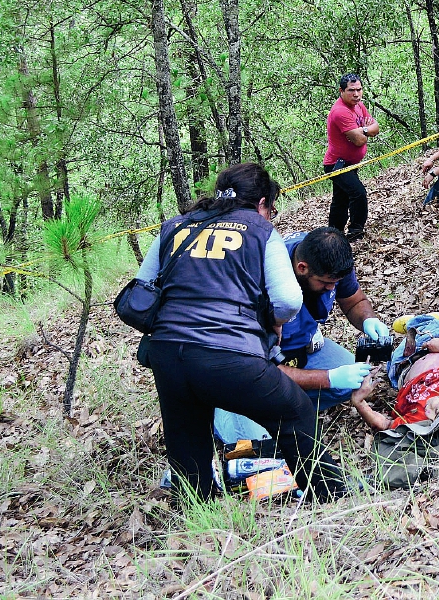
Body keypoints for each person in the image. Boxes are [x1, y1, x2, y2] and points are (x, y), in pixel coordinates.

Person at [136, 163, 348, 500]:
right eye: (271, 208)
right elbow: (288, 298)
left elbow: (141, 289)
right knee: (294, 411)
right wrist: (274, 323)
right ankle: (330, 496)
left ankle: (199, 514)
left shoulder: (174, 227)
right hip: (228, 351)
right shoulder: (260, 230)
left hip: (167, 352)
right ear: (262, 202)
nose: (271, 215)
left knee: (188, 439)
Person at [212, 226, 393, 448]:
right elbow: (258, 368)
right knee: (251, 443)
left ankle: (286, 402)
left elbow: (354, 300)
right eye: (326, 283)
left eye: (335, 283)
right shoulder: (261, 278)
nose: (331, 289)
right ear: (302, 268)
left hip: (299, 350)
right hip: (245, 367)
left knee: (354, 381)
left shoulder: (332, 261)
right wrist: (328, 378)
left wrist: (368, 320)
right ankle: (224, 410)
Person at [324, 73, 379, 241]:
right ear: (341, 91)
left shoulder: (358, 106)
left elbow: (376, 128)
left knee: (341, 200)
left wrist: (362, 129)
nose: (356, 94)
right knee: (358, 194)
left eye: (359, 90)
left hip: (351, 163)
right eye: (351, 90)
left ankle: (334, 235)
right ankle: (355, 232)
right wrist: (365, 130)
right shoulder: (340, 111)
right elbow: (360, 140)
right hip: (337, 164)